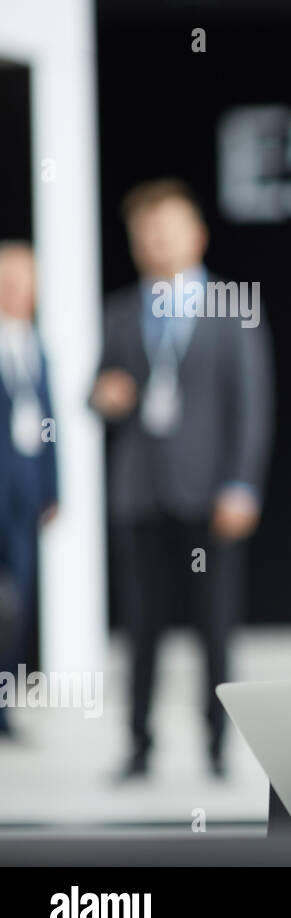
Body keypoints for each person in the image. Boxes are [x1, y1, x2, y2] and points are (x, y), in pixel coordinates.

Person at [88, 179, 274, 779]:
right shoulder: (120, 310)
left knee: (214, 627)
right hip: (141, 492)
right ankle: (138, 744)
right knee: (140, 630)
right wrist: (103, 397)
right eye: (143, 232)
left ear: (195, 235)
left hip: (209, 493)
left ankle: (216, 745)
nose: (154, 241)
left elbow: (250, 404)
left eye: (165, 228)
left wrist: (241, 484)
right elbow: (99, 393)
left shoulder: (231, 306)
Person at [0, 241, 58, 737]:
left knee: (18, 605)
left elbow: (47, 424)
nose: (16, 289)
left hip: (24, 499)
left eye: (25, 280)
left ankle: (4, 706)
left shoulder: (34, 344)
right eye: (8, 279)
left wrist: (51, 489)